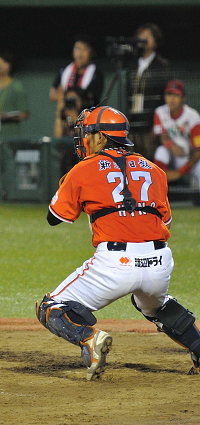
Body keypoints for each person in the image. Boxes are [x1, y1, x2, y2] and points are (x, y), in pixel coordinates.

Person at [37, 104, 200, 381]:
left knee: (50, 307)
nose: (85, 139)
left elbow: (55, 217)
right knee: (154, 306)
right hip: (159, 262)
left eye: (88, 133)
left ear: (101, 137)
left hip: (115, 264)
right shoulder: (154, 169)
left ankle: (90, 339)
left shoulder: (84, 169)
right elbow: (165, 223)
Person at [127, 23, 171, 160]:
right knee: (131, 164)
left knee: (148, 164)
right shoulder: (131, 64)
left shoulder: (162, 65)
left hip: (150, 126)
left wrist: (157, 125)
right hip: (133, 124)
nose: (143, 39)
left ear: (156, 41)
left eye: (148, 36)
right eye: (141, 36)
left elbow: (164, 98)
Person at [152, 80, 200, 195]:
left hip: (190, 158)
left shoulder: (193, 117)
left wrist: (179, 172)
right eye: (169, 94)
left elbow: (198, 152)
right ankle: (157, 192)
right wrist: (172, 146)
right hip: (171, 154)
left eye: (176, 95)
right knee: (160, 151)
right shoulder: (160, 112)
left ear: (183, 98)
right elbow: (162, 137)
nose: (172, 99)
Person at [50, 35, 104, 109]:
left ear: (91, 52)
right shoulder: (65, 71)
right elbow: (52, 95)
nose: (80, 52)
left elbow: (90, 97)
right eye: (77, 48)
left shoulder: (96, 73)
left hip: (87, 116)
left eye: (84, 49)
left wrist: (64, 96)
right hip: (66, 116)